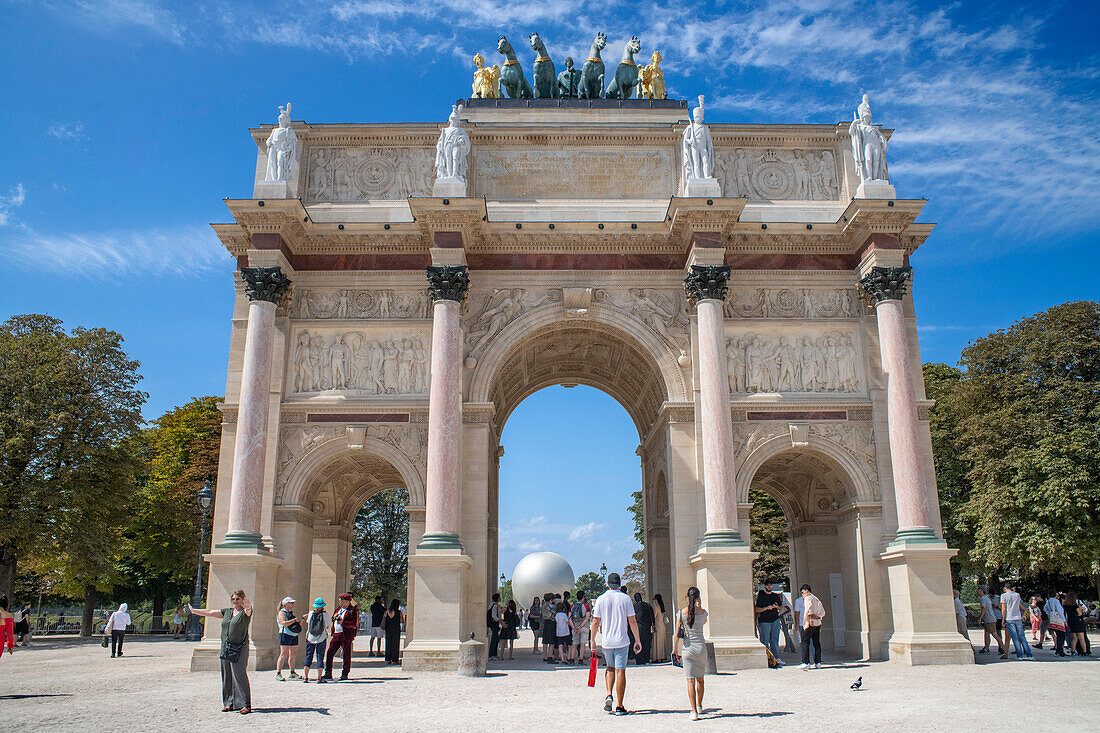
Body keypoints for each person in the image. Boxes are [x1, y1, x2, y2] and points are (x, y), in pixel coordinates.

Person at [188, 590, 254, 714]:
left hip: (240, 647)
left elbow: (249, 610)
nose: (235, 601)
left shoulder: (245, 613)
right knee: (226, 675)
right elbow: (211, 612)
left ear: (243, 599)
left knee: (239, 674)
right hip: (226, 647)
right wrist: (195, 611)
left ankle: (246, 704)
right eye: (233, 599)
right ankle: (229, 703)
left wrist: (248, 605)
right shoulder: (227, 612)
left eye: (238, 599)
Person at [590, 572, 642, 716]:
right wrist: (637, 640)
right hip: (622, 640)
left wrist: (592, 640)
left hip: (607, 641)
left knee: (609, 668)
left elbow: (596, 621)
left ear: (608, 583)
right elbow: (632, 621)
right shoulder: (626, 599)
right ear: (619, 583)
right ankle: (620, 705)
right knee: (621, 671)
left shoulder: (601, 599)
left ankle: (608, 694)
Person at [674, 587, 709, 720]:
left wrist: (674, 649)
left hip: (688, 649)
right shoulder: (703, 612)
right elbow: (704, 621)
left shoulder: (681, 613)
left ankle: (693, 711)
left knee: (690, 681)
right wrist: (699, 606)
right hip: (700, 648)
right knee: (700, 679)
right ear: (698, 598)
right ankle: (699, 706)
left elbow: (677, 633)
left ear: (687, 597)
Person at [324, 593, 359, 681]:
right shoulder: (338, 609)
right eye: (340, 601)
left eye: (343, 601)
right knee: (330, 652)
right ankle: (328, 672)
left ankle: (345, 673)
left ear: (348, 602)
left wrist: (343, 622)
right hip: (336, 634)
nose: (341, 603)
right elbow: (333, 618)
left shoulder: (352, 610)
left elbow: (354, 624)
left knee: (346, 655)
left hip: (346, 634)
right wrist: (335, 617)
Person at [755, 580, 788, 663]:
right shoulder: (761, 596)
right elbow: (757, 609)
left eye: (770, 585)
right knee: (765, 640)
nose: (769, 587)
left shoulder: (775, 596)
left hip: (775, 620)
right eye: (767, 585)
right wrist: (766, 608)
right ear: (765, 586)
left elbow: (781, 608)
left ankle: (776, 657)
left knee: (774, 640)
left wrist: (776, 607)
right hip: (765, 621)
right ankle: (767, 658)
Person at [999, 583, 1033, 660]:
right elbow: (1019, 605)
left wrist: (1003, 619)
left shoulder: (1003, 596)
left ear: (1005, 588)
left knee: (1014, 638)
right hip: (1017, 617)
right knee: (1022, 636)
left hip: (1009, 617)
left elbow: (1004, 608)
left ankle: (1020, 655)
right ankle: (1029, 654)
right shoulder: (1017, 595)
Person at [798, 584, 825, 669]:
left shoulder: (808, 598)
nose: (802, 595)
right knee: (816, 642)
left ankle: (805, 662)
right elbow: (822, 611)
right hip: (817, 622)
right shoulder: (816, 599)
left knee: (805, 642)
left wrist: (809, 619)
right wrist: (818, 617)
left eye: (802, 593)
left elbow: (808, 609)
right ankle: (818, 662)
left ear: (806, 591)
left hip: (810, 623)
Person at [302, 597, 329, 683]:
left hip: (310, 637)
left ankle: (306, 677)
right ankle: (319, 677)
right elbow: (327, 625)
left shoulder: (310, 613)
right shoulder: (325, 614)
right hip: (321, 638)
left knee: (308, 656)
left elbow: (308, 623)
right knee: (320, 657)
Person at [275, 597, 301, 680]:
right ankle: (278, 673)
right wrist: (294, 620)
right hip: (285, 634)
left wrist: (302, 619)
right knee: (283, 654)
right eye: (291, 603)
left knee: (293, 654)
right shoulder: (281, 613)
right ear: (286, 604)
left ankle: (292, 672)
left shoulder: (290, 613)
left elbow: (296, 624)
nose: (293, 604)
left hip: (294, 634)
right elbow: (284, 623)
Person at [977, 586, 1004, 655]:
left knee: (995, 634)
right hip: (989, 619)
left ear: (982, 591)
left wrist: (980, 618)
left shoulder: (983, 598)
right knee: (986, 633)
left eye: (979, 590)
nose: (977, 591)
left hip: (990, 619)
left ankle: (1003, 648)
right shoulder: (986, 598)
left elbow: (983, 609)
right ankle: (986, 648)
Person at [570, 591, 593, 665]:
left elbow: (569, 617)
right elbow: (587, 618)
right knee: (582, 644)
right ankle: (580, 659)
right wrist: (580, 626)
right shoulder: (586, 606)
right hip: (584, 627)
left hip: (575, 626)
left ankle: (572, 660)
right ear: (583, 597)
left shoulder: (572, 606)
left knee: (575, 643)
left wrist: (574, 627)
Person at [1043, 591, 1067, 656]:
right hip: (1058, 619)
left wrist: (1049, 614)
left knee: (1057, 635)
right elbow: (1060, 610)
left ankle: (1057, 649)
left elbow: (1045, 608)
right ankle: (1060, 650)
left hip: (1052, 619)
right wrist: (1064, 620)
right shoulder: (1056, 601)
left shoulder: (1048, 601)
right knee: (1061, 636)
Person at [1064, 592, 1088, 656]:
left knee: (1074, 638)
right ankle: (1084, 652)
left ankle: (1073, 651)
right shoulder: (1075, 605)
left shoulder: (1065, 605)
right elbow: (1079, 613)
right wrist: (1081, 609)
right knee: (1081, 638)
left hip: (1071, 622)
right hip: (1078, 621)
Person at [382, 598, 404, 665]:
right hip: (396, 629)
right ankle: (394, 659)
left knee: (388, 643)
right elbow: (401, 621)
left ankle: (388, 659)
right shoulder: (398, 612)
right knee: (395, 644)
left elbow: (384, 620)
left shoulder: (387, 611)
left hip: (388, 629)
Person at [651, 594, 668, 663]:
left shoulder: (656, 607)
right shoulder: (662, 607)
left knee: (657, 641)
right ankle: (662, 656)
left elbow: (653, 617)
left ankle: (658, 657)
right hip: (662, 625)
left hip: (657, 625)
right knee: (661, 641)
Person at [541, 592, 557, 662]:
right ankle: (550, 656)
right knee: (551, 641)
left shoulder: (543, 605)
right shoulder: (552, 606)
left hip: (545, 623)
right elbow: (552, 615)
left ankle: (545, 656)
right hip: (551, 623)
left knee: (545, 641)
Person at [487, 592, 503, 660]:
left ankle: (494, 654)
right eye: (499, 597)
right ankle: (492, 655)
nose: (500, 598)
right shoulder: (495, 605)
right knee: (494, 639)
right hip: (494, 624)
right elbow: (494, 616)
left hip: (493, 624)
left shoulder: (492, 605)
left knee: (496, 639)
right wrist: (500, 621)